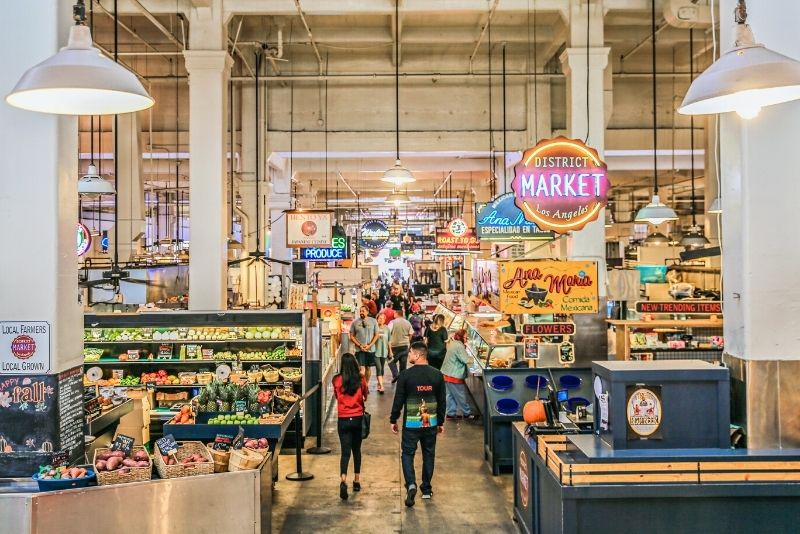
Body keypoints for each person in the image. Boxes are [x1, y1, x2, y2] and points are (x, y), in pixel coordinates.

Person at [390, 342, 445, 507]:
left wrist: (393, 419)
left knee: (407, 454)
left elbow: (398, 399)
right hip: (431, 422)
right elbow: (442, 401)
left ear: (417, 354)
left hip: (411, 423)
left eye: (410, 353)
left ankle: (411, 484)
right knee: (429, 454)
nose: (409, 356)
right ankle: (426, 489)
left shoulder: (406, 375)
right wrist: (440, 422)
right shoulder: (437, 375)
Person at [332, 353, 368, 500]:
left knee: (345, 452)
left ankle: (343, 480)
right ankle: (357, 480)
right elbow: (365, 395)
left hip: (343, 419)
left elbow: (336, 396)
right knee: (356, 450)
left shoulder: (337, 380)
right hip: (357, 418)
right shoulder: (360, 379)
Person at [440, 329, 476, 420]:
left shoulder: (454, 343)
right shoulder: (459, 346)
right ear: (461, 337)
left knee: (450, 395)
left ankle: (450, 414)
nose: (466, 339)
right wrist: (473, 358)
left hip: (447, 373)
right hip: (454, 375)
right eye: (465, 337)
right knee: (460, 395)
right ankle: (467, 413)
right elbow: (465, 360)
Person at [349, 306, 379, 382]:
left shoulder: (373, 321)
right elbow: (351, 336)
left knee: (368, 368)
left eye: (363, 311)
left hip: (370, 349)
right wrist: (359, 345)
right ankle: (361, 385)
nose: (361, 313)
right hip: (359, 349)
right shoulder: (355, 322)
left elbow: (377, 335)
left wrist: (370, 345)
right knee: (361, 368)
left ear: (367, 312)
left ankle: (366, 384)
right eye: (360, 311)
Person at [387, 312, 413, 382]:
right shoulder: (407, 323)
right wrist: (408, 340)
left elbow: (388, 332)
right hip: (405, 346)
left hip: (394, 346)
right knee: (403, 364)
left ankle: (396, 374)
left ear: (396, 314)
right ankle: (402, 379)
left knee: (390, 360)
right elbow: (411, 333)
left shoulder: (392, 322)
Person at [374, 313, 390, 394]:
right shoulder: (374, 328)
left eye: (383, 318)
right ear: (377, 319)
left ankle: (379, 383)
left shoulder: (387, 328)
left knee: (382, 368)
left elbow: (389, 341)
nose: (381, 320)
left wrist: (390, 351)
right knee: (379, 368)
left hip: (384, 351)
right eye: (379, 318)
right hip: (376, 351)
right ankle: (382, 385)